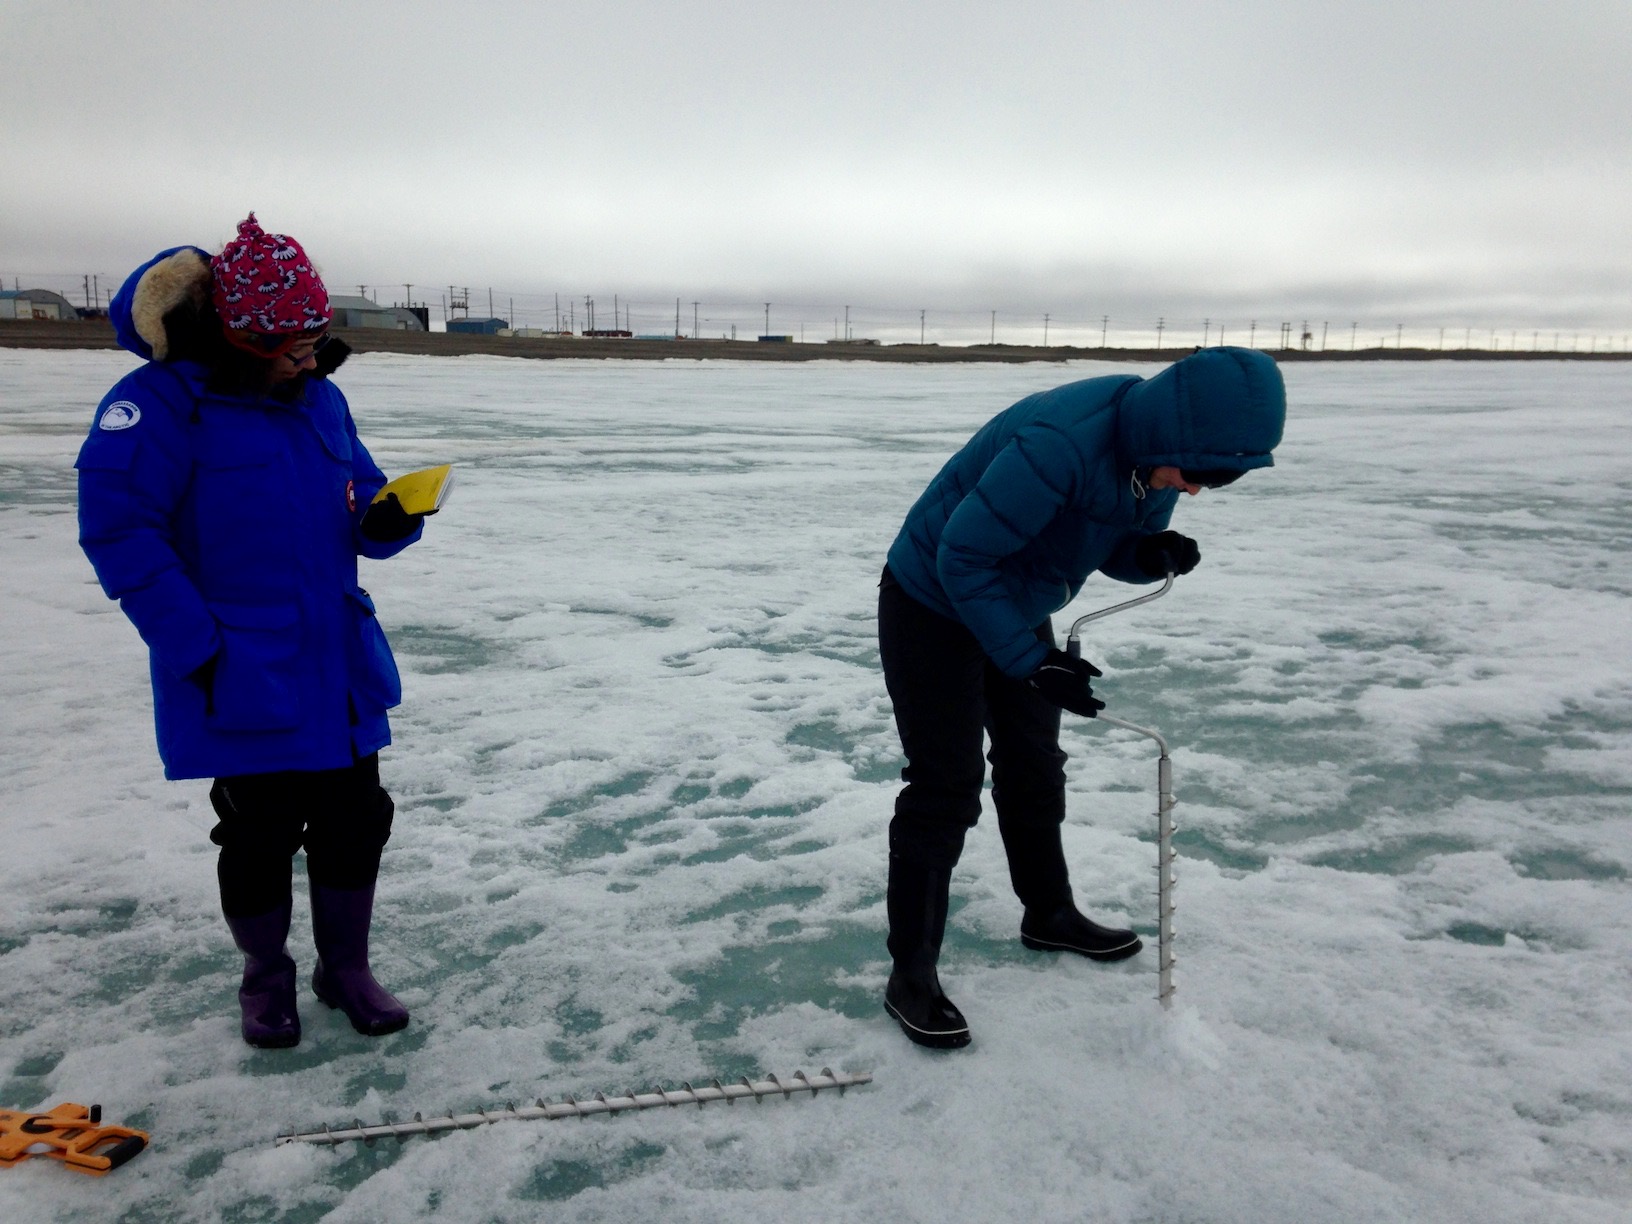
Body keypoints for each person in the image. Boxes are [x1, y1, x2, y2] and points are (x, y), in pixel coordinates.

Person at [75, 215, 430, 1048]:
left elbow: (359, 492)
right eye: (289, 351)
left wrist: (387, 518)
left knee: (356, 818)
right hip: (237, 663)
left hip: (335, 658)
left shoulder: (320, 397)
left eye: (314, 345)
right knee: (259, 832)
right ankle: (265, 978)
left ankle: (345, 969)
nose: (308, 363)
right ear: (234, 338)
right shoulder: (156, 406)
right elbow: (121, 534)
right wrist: (199, 648)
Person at [878, 346, 1286, 1048]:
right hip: (933, 603)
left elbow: (1103, 534)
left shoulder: (1154, 451)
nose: (1191, 491)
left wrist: (1146, 555)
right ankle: (910, 975)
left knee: (1034, 764)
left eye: (1210, 486)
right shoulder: (1061, 441)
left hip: (1014, 595)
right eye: (1193, 477)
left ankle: (1049, 913)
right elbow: (963, 556)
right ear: (1170, 441)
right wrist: (1031, 661)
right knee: (945, 786)